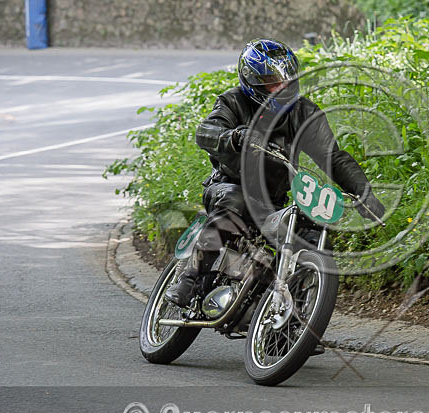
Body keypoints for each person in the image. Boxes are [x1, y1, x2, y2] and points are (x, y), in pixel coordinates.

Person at [165, 38, 385, 309]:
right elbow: (206, 131)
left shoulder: (304, 113)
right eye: (272, 82)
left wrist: (363, 191)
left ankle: (293, 312)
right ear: (252, 81)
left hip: (274, 201)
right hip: (228, 185)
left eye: (287, 81)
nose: (282, 88)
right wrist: (234, 137)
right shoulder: (233, 101)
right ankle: (189, 278)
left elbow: (333, 157)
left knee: (311, 232)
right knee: (235, 200)